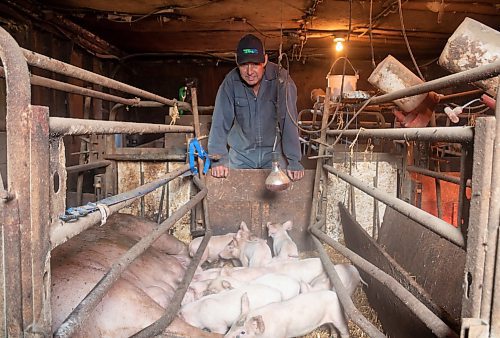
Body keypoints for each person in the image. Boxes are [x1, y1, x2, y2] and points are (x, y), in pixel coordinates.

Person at [208, 34, 304, 181]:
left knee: (281, 194)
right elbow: (220, 120)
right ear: (237, 62)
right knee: (232, 197)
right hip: (241, 155)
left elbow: (289, 121)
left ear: (264, 60)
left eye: (255, 64)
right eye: (244, 65)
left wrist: (294, 160)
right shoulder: (231, 82)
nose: (250, 71)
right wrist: (218, 158)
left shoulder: (281, 79)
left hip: (274, 154)